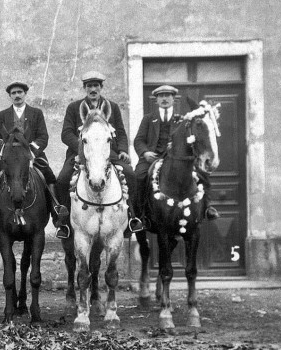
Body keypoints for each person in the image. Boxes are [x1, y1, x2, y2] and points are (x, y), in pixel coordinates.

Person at [56, 71, 143, 237]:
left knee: (131, 175)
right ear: (85, 88)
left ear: (101, 87)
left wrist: (123, 150)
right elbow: (66, 133)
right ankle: (64, 222)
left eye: (96, 85)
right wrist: (82, 149)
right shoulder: (74, 108)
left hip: (109, 154)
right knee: (62, 180)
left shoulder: (112, 107)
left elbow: (121, 133)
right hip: (80, 154)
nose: (93, 89)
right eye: (89, 86)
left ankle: (132, 216)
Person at [0, 80, 69, 236]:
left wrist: (31, 152)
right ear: (10, 96)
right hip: (9, 158)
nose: (17, 95)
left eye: (20, 92)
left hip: (33, 156)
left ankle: (57, 214)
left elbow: (43, 137)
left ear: (25, 94)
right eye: (13, 93)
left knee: (50, 177)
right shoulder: (2, 115)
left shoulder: (36, 113)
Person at [133, 85, 219, 225]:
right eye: (161, 96)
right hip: (151, 158)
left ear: (173, 98)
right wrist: (145, 152)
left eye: (168, 95)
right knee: (139, 176)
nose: (164, 99)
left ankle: (207, 208)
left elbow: (190, 139)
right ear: (157, 100)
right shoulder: (149, 119)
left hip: (175, 159)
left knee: (201, 173)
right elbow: (139, 140)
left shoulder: (183, 119)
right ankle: (139, 214)